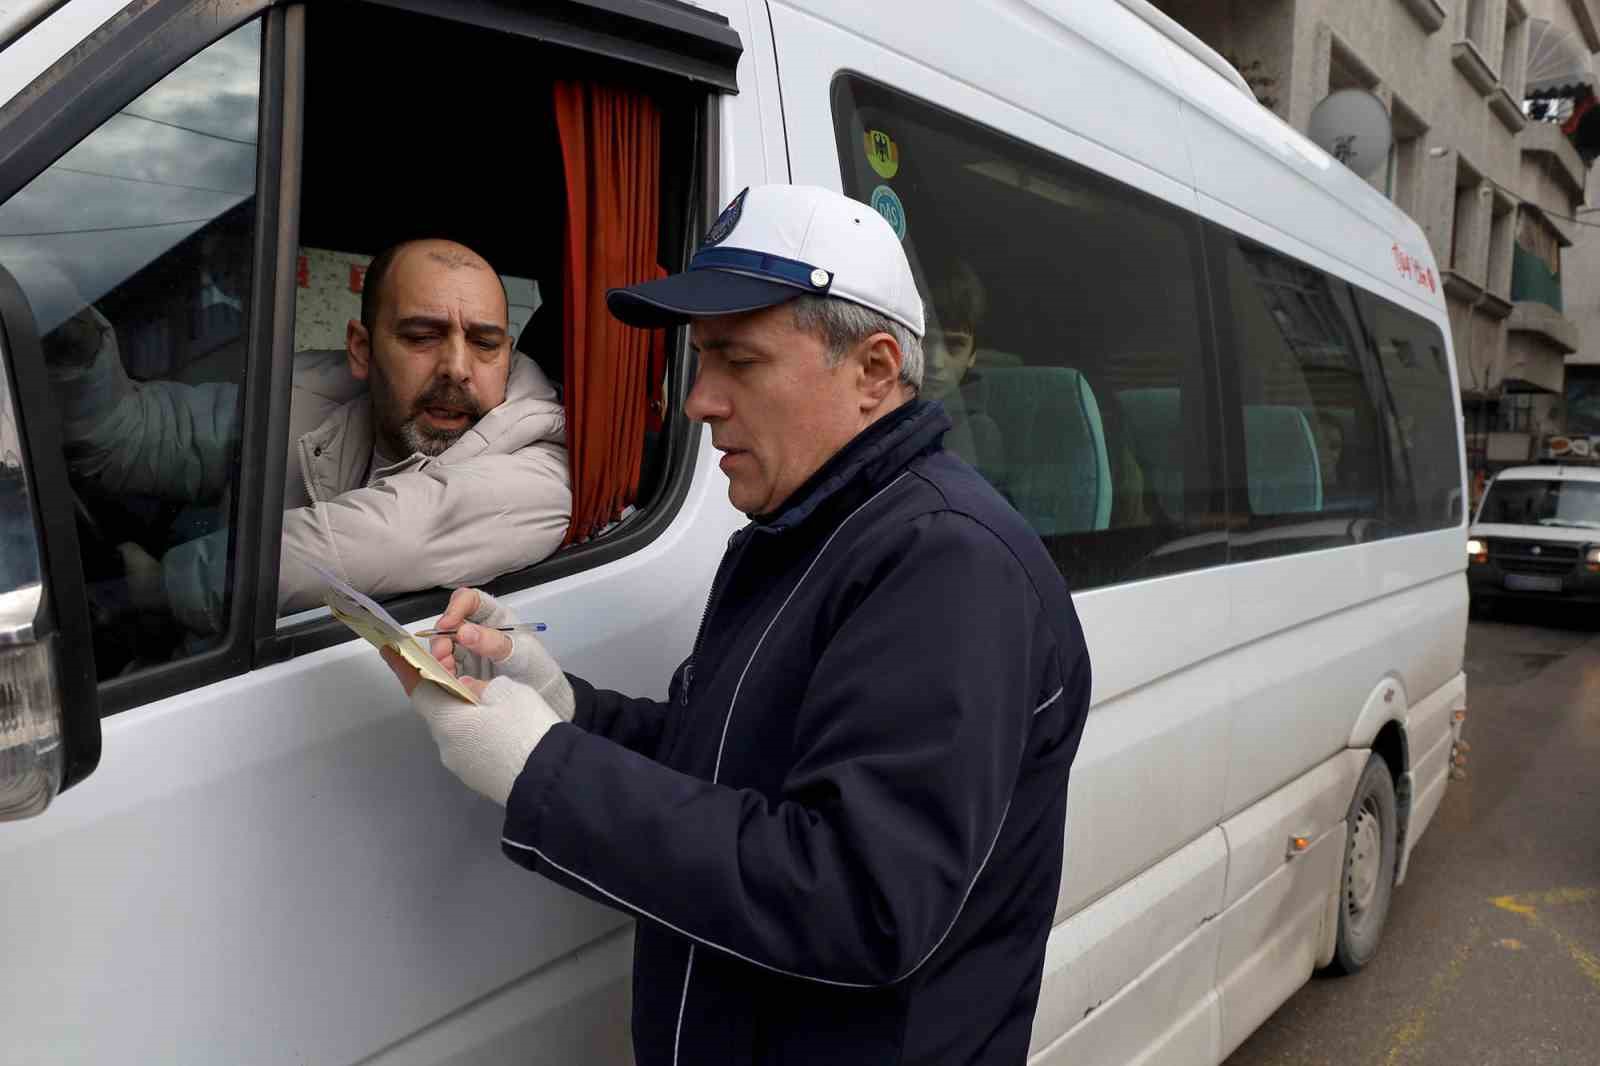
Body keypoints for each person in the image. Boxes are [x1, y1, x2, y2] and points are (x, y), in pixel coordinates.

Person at [381, 185, 1093, 1065]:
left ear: (873, 371)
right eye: (700, 360)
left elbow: (862, 901)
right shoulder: (815, 528)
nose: (699, 401)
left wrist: (544, 769)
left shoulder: (947, 564)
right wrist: (565, 707)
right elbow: (729, 762)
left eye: (739, 361)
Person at [42, 238, 570, 635]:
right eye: (422, 336)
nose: (457, 367)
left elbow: (386, 538)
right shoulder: (303, 394)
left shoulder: (539, 465)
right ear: (361, 349)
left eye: (484, 344)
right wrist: (77, 349)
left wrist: (156, 586)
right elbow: (137, 437)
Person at [921, 258, 1004, 474]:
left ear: (972, 354)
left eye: (954, 345)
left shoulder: (975, 434)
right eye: (924, 341)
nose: (935, 361)